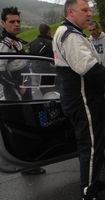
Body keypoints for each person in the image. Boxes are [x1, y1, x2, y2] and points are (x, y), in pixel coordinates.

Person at [53, 0, 105, 200]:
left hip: (81, 100)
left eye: (90, 9)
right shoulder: (70, 36)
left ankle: (93, 181)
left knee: (94, 144)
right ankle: (89, 194)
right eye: (84, 10)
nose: (90, 13)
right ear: (70, 12)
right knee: (90, 146)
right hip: (84, 102)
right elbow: (91, 71)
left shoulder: (68, 32)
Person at [0, 7, 46, 175]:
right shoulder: (3, 44)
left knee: (30, 122)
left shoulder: (17, 41)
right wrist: (16, 87)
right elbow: (0, 71)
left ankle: (31, 161)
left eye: (18, 21)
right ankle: (26, 165)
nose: (17, 24)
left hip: (25, 85)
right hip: (15, 90)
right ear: (3, 23)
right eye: (12, 22)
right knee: (22, 127)